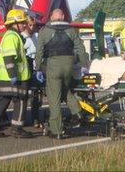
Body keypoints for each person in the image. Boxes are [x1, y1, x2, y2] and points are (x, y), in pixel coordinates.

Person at [34, 9, 90, 139]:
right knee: (64, 89)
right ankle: (77, 111)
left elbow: (40, 51)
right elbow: (80, 49)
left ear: (51, 17)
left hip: (53, 65)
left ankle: (57, 130)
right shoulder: (71, 30)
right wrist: (84, 65)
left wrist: (37, 68)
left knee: (54, 98)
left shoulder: (44, 31)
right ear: (63, 16)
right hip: (68, 65)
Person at [0, 9, 33, 138]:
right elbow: (9, 57)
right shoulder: (12, 36)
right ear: (15, 23)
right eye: (22, 22)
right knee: (21, 101)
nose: (24, 25)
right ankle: (17, 129)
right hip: (14, 77)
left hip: (3, 77)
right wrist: (13, 75)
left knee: (2, 101)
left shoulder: (10, 35)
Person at [21, 16, 43, 128]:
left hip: (35, 69)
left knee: (35, 95)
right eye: (30, 25)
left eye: (33, 25)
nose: (32, 27)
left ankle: (35, 118)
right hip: (26, 68)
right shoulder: (22, 37)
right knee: (24, 95)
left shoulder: (36, 36)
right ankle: (21, 118)